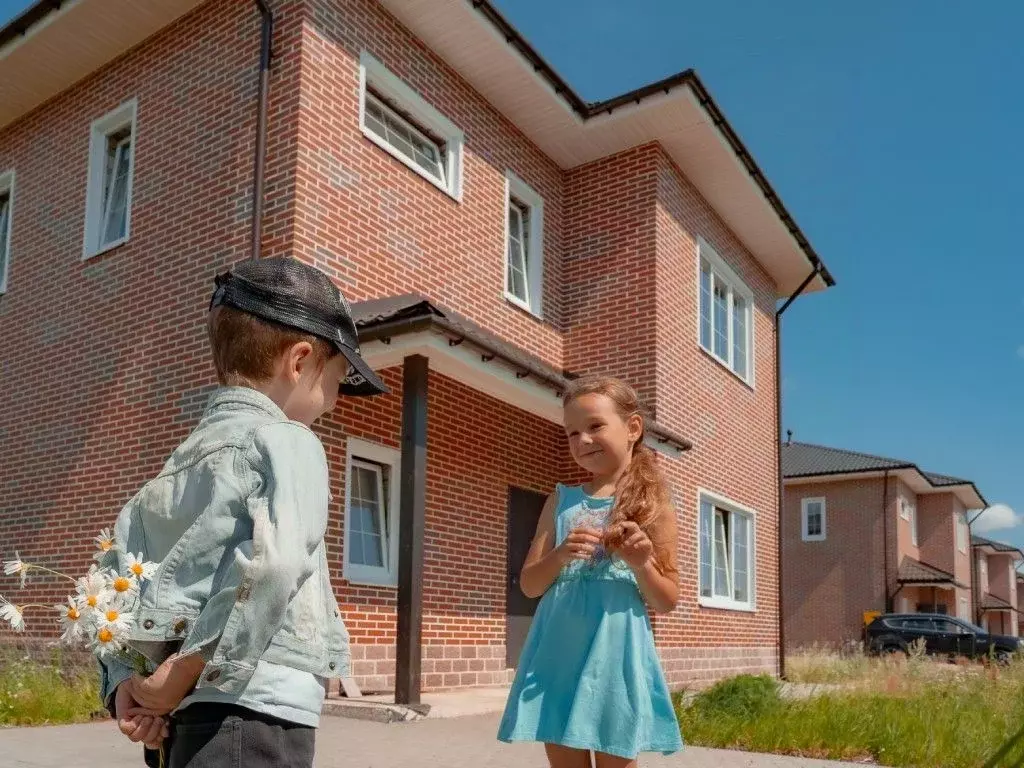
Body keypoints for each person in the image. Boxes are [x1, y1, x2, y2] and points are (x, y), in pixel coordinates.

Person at [97, 256, 389, 768]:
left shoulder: (168, 472)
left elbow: (112, 583)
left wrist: (129, 683)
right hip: (257, 712)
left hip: (181, 721)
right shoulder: (287, 440)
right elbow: (276, 562)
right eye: (338, 380)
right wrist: (185, 673)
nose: (335, 403)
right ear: (299, 362)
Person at [497, 375, 684, 767]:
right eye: (571, 433)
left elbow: (666, 599)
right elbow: (529, 585)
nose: (582, 441)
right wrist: (560, 555)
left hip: (615, 662)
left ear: (632, 428)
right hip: (558, 658)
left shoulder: (653, 504)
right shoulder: (560, 500)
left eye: (595, 426)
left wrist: (641, 564)